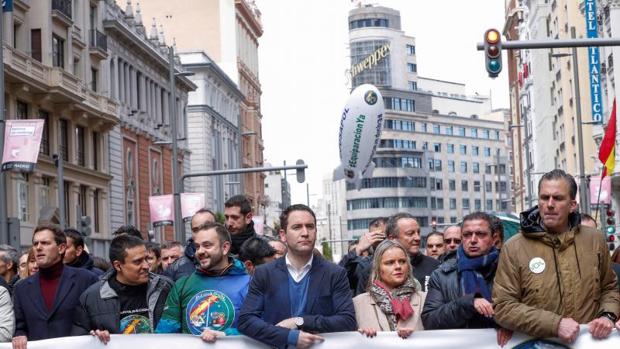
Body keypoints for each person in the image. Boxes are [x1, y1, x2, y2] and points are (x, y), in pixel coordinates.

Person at [493, 169, 620, 343]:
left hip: (589, 344)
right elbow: (503, 306)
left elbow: (609, 288)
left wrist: (607, 315)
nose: (550, 204)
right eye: (544, 198)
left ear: (572, 205)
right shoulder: (514, 247)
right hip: (539, 345)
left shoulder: (594, 240)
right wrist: (555, 324)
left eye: (558, 198)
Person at [238, 204, 356, 349]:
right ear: (283, 235)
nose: (305, 232)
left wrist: (301, 321)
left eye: (310, 226)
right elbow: (246, 320)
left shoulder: (335, 273)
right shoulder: (264, 273)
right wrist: (289, 337)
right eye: (297, 227)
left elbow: (347, 320)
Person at [156, 222, 250, 343]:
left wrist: (227, 335)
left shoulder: (250, 284)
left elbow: (262, 329)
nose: (199, 251)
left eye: (207, 245)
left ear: (225, 248)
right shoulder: (183, 285)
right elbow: (165, 335)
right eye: (197, 246)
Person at [72, 235, 172, 343]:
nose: (146, 266)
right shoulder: (92, 298)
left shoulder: (164, 288)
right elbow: (79, 339)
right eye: (138, 262)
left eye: (146, 259)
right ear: (118, 266)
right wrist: (94, 338)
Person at [12, 224, 98, 349]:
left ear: (61, 248)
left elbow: (98, 322)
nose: (39, 247)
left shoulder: (86, 280)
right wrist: (20, 336)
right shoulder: (21, 289)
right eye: (35, 244)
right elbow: (21, 328)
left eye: (45, 243)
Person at [422, 212, 503, 329]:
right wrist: (467, 303)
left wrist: (508, 325)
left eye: (480, 234)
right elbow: (430, 320)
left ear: (494, 238)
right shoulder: (442, 274)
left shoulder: (508, 268)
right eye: (467, 235)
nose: (473, 240)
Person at [354, 240, 425, 339]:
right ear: (378, 268)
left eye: (402, 261)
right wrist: (358, 336)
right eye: (390, 263)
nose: (398, 267)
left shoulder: (425, 299)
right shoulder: (358, 303)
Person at [356, 213, 439, 295]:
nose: (417, 238)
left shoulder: (435, 267)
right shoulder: (371, 271)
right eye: (410, 233)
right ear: (392, 238)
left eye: (418, 232)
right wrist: (357, 250)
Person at [163, 208, 216, 281]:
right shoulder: (176, 267)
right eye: (195, 230)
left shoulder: (231, 262)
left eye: (205, 227)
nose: (200, 232)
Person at [339, 217, 387, 291]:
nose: (378, 241)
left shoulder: (404, 261)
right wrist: (358, 249)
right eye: (373, 237)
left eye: (381, 236)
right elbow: (338, 275)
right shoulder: (365, 265)